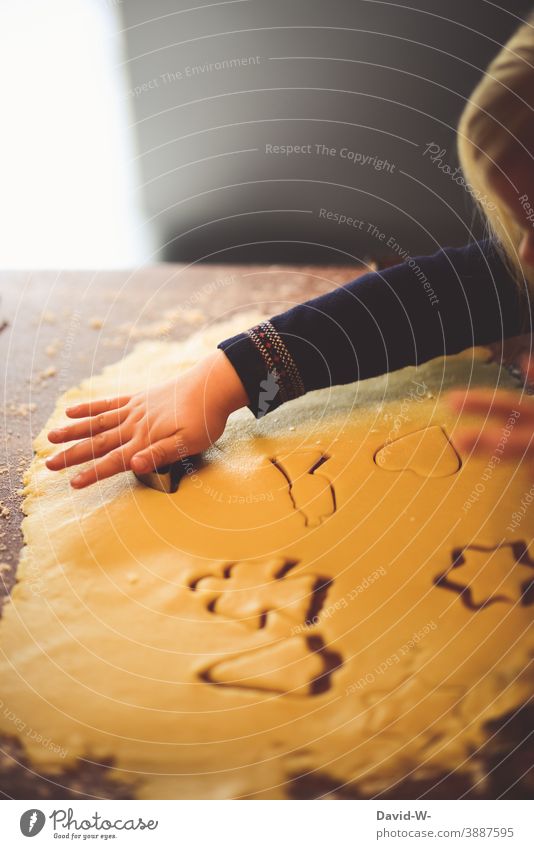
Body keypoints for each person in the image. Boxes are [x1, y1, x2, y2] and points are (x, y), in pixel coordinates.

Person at [46, 14, 534, 490]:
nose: (526, 254)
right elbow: (450, 293)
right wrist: (227, 376)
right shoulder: (521, 271)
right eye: (519, 227)